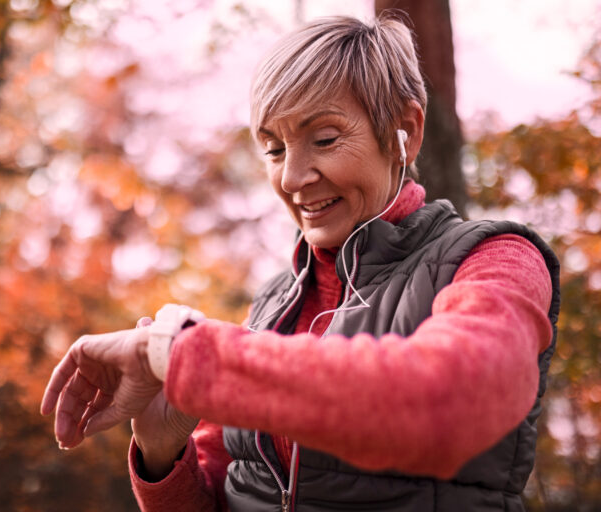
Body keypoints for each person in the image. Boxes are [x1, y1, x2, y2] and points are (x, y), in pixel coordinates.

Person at [41, 15, 560, 512]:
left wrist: (176, 354)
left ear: (405, 130)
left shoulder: (494, 259)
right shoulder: (272, 304)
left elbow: (448, 403)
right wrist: (163, 452)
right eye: (272, 149)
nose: (291, 177)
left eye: (325, 139)